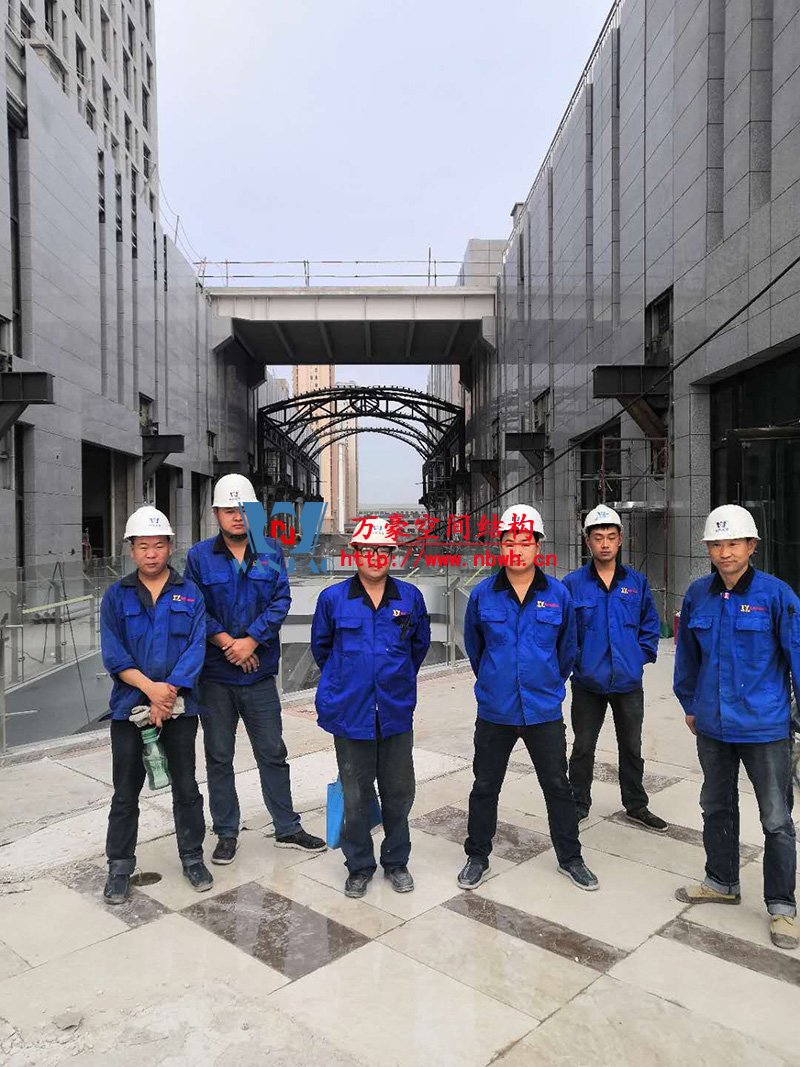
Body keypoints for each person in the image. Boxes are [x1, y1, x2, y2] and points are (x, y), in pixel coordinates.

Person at [674, 504, 800, 950]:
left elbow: (796, 656)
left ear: (751, 546)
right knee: (716, 805)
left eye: (733, 543)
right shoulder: (698, 595)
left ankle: (782, 906)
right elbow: (687, 656)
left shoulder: (777, 596)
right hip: (713, 725)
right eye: (716, 544)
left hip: (764, 727)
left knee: (776, 818)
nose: (725, 552)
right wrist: (690, 704)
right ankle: (721, 881)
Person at [184, 474, 325, 864]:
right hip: (215, 676)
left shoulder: (271, 550)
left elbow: (280, 600)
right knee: (219, 757)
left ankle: (287, 827)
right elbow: (195, 608)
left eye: (243, 509)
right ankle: (226, 832)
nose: (237, 516)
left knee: (272, 752)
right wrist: (230, 645)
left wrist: (250, 641)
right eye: (228, 510)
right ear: (216, 513)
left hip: (258, 673)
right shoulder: (199, 557)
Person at [458, 504, 599, 892]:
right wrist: (495, 681)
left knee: (557, 786)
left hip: (543, 710)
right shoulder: (483, 595)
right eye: (509, 542)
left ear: (538, 546)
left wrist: (548, 682)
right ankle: (477, 856)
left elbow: (567, 649)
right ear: (499, 546)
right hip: (496, 710)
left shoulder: (558, 594)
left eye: (524, 542)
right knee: (485, 785)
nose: (516, 549)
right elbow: (476, 649)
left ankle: (571, 858)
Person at [310, 517, 431, 898]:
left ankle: (396, 861)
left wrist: (393, 680)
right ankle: (359, 865)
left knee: (399, 791)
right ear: (355, 554)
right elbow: (322, 649)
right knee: (356, 794)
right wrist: (351, 680)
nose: (375, 557)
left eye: (382, 550)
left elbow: (418, 647)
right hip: (350, 713)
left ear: (392, 554)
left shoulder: (410, 598)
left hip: (394, 711)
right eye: (367, 550)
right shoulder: (333, 599)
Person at [100, 506, 212, 904]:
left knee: (186, 786)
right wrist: (151, 690)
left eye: (158, 545)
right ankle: (119, 867)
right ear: (131, 550)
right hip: (128, 709)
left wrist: (169, 694)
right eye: (143, 546)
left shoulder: (190, 594)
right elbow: (113, 654)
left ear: (169, 547)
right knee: (125, 792)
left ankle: (192, 858)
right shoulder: (116, 597)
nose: (151, 553)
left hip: (179, 708)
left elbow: (195, 649)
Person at [563, 505, 666, 832]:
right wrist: (578, 661)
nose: (605, 543)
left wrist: (637, 657)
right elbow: (564, 633)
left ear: (621, 539)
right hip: (588, 683)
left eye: (610, 536)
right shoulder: (573, 584)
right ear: (588, 542)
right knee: (583, 747)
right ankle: (577, 803)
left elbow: (650, 625)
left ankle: (636, 804)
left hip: (627, 682)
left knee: (632, 747)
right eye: (598, 537)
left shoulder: (636, 582)